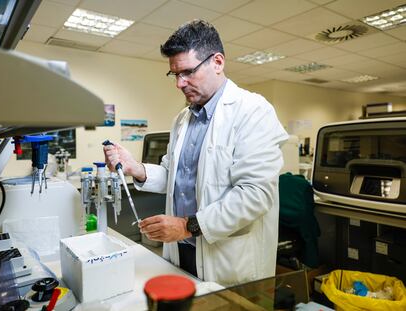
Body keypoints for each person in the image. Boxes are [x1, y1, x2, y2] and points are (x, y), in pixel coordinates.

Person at [104, 19, 289, 286]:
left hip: (228, 257)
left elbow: (255, 195)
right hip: (183, 251)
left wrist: (186, 226)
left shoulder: (253, 111)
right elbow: (175, 175)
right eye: (175, 75)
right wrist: (136, 168)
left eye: (188, 72)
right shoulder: (183, 119)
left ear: (217, 62)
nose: (180, 83)